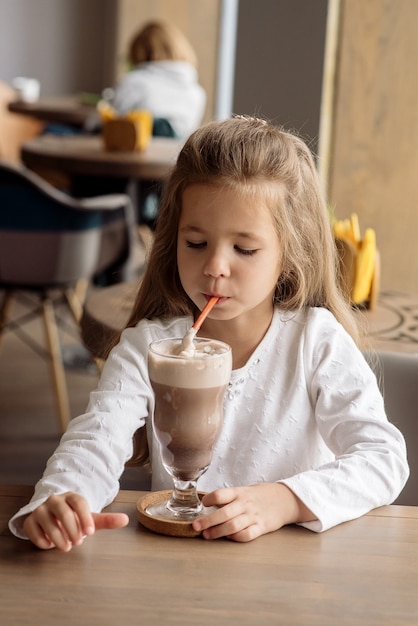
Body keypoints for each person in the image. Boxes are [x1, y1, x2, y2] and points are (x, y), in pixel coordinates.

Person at [9, 116, 409, 551]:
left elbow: (384, 459)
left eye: (245, 249)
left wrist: (286, 501)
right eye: (195, 243)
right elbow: (96, 440)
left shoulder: (316, 342)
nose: (215, 266)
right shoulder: (149, 347)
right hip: (181, 565)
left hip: (296, 573)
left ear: (289, 256)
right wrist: (63, 498)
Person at [106, 20, 206, 139]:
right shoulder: (197, 92)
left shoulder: (135, 82)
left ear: (138, 52)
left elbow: (112, 121)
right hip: (174, 156)